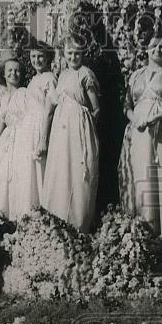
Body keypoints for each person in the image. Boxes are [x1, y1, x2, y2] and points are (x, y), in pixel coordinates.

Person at [120, 35, 162, 236]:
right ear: (146, 50)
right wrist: (135, 119)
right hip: (139, 130)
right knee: (141, 171)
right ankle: (143, 229)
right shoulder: (136, 75)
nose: (158, 49)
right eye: (153, 46)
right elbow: (126, 105)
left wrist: (157, 117)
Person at [40, 36, 101, 232]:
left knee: (77, 169)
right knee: (61, 168)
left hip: (78, 128)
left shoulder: (85, 74)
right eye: (69, 53)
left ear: (83, 54)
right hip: (61, 129)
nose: (73, 57)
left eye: (77, 53)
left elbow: (96, 108)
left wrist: (85, 128)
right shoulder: (63, 75)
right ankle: (57, 217)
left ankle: (77, 222)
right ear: (64, 55)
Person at [0, 51, 44, 220]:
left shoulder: (24, 92)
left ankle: (18, 216)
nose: (13, 74)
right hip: (6, 139)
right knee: (0, 177)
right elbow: (2, 122)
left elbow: (32, 116)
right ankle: (0, 218)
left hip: (21, 138)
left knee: (19, 176)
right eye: (9, 71)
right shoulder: (2, 95)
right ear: (3, 74)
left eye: (16, 71)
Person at [27, 41, 58, 203]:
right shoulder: (34, 79)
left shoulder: (49, 78)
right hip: (29, 126)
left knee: (40, 166)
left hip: (40, 126)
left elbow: (49, 109)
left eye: (40, 56)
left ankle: (41, 206)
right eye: (33, 56)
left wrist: (43, 138)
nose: (36, 60)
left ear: (48, 58)